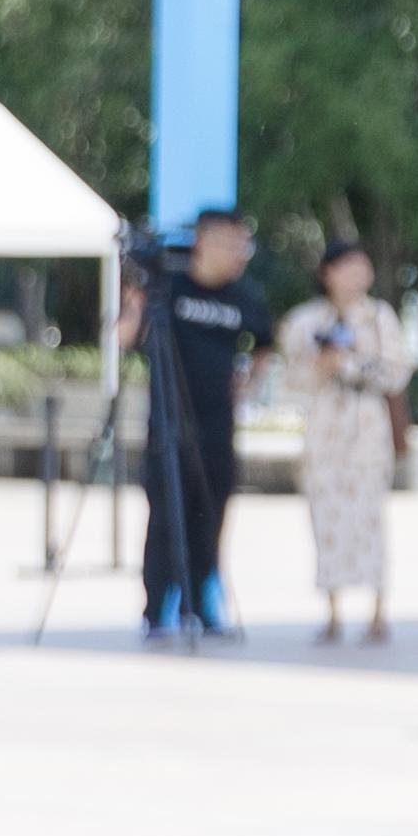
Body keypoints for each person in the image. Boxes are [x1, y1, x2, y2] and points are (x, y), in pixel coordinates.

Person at [274, 238, 418, 645]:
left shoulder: (378, 317)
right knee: (326, 519)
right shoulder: (305, 320)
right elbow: (290, 378)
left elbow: (397, 371)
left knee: (369, 518)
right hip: (324, 431)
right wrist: (321, 365)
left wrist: (350, 362)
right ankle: (333, 610)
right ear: (328, 273)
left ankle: (377, 610)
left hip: (368, 430)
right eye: (349, 267)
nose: (357, 276)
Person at [136, 210, 268, 638]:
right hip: (169, 424)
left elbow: (266, 341)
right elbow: (127, 335)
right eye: (231, 243)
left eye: (243, 245)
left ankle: (203, 604)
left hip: (217, 426)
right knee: (165, 515)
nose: (239, 254)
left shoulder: (242, 296)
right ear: (203, 241)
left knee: (210, 514)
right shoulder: (168, 289)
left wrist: (250, 379)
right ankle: (158, 609)